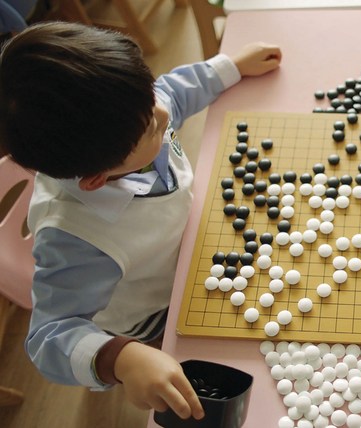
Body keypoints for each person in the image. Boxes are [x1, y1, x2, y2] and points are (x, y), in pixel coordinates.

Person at [0, 21, 281, 420]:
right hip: (153, 312)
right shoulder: (77, 239)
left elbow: (172, 91)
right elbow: (49, 335)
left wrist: (229, 67)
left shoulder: (130, 117)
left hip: (191, 252)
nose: (162, 111)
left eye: (148, 91)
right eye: (152, 126)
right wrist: (121, 358)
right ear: (98, 179)